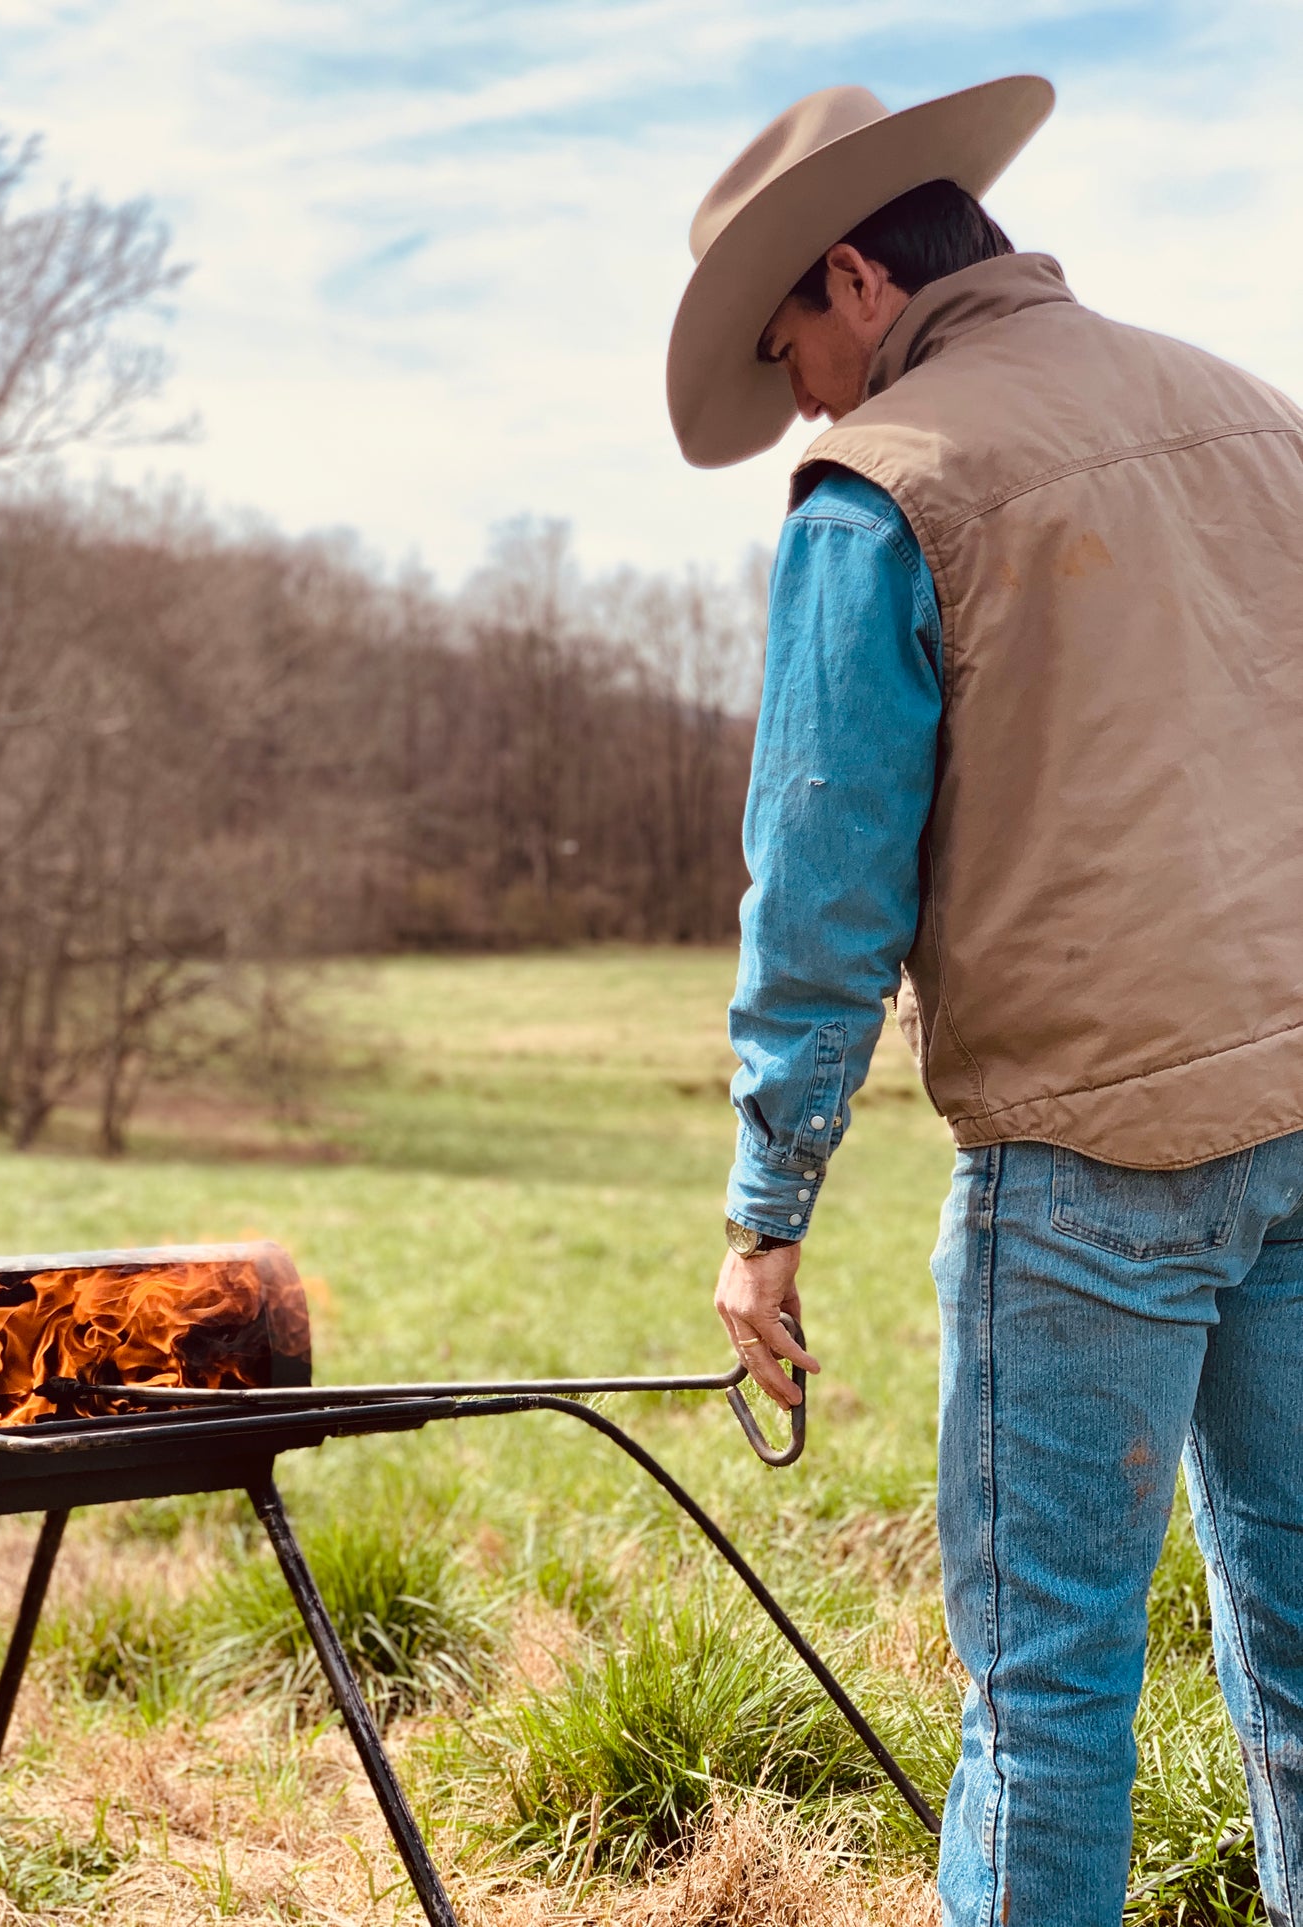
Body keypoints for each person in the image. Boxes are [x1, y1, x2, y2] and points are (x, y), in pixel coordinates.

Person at [669, 75, 1303, 1927]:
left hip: (1088, 1170)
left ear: (855, 278)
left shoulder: (887, 483)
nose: (802, 393)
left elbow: (820, 883)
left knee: (1045, 1707)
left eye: (789, 343)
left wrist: (762, 1213)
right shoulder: (1256, 416)